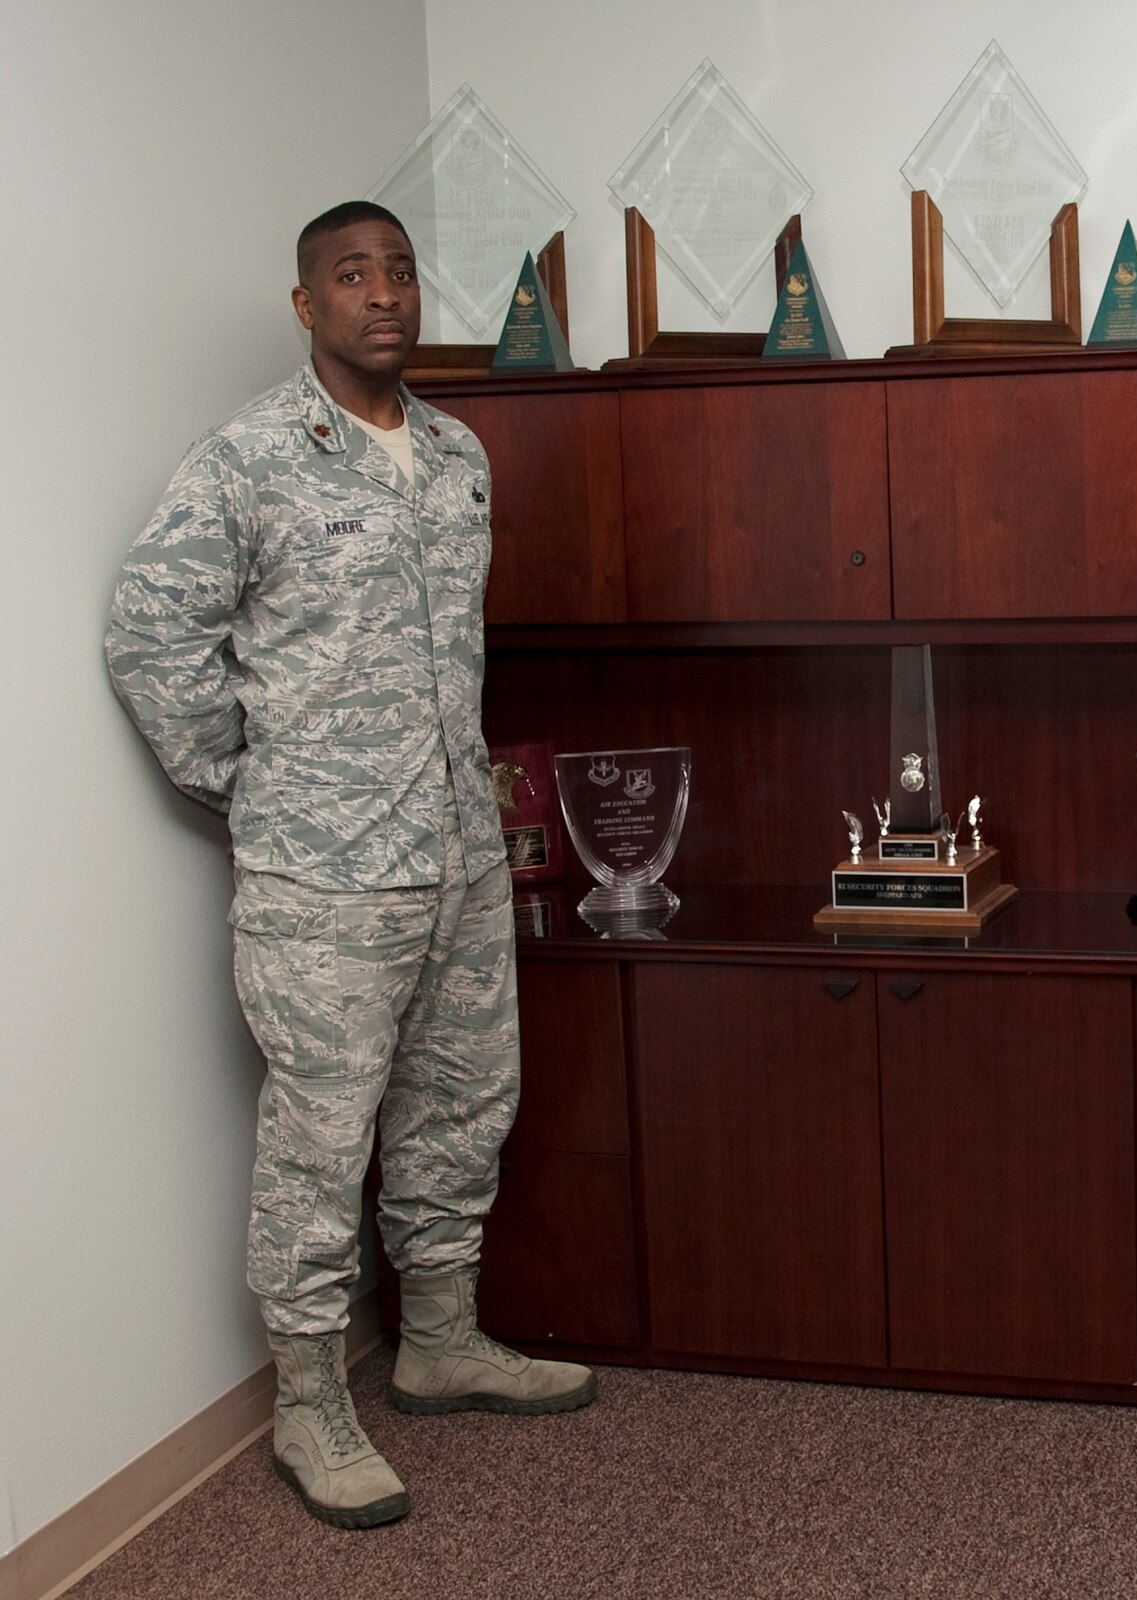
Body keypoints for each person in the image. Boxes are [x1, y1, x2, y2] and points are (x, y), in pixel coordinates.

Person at [106, 201, 595, 1531]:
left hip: (456, 850)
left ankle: (439, 1339)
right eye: (349, 275)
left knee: (461, 1097)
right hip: (321, 880)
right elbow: (149, 639)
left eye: (398, 271)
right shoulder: (251, 461)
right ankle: (309, 1402)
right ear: (306, 304)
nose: (382, 294)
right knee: (319, 1144)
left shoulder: (455, 455)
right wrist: (252, 783)